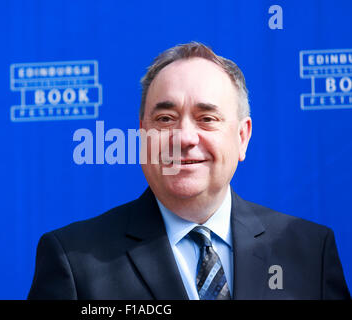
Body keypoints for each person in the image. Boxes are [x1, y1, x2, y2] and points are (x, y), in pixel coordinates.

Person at [27, 42, 350, 300]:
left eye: (207, 118)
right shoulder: (73, 259)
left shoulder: (310, 249)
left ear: (242, 137)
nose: (184, 137)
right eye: (165, 119)